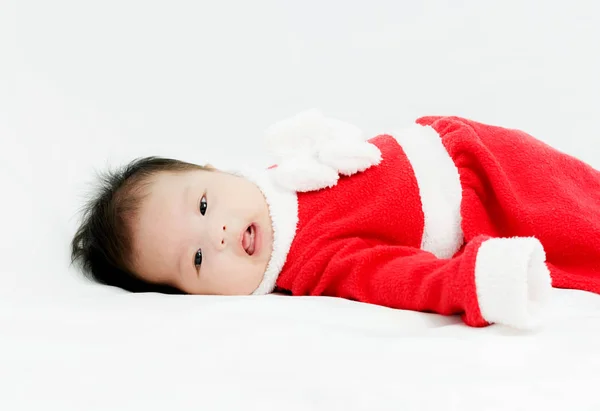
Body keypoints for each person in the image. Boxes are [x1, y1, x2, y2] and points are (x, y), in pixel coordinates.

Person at [71, 110, 600, 329]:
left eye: (204, 206)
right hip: (483, 202)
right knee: (581, 228)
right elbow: (398, 279)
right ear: (197, 298)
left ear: (213, 170)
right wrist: (479, 283)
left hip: (463, 143)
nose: (221, 233)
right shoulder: (309, 263)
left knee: (580, 182)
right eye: (199, 258)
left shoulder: (272, 179)